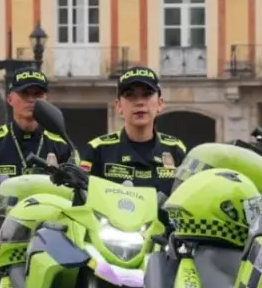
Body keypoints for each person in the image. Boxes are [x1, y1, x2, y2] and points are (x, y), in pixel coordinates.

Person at [78, 66, 187, 196]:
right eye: (130, 95)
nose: (139, 102)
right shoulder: (98, 149)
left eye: (147, 94)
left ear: (160, 103)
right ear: (118, 106)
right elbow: (82, 200)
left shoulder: (175, 149)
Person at [0, 68, 75, 182]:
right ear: (10, 99)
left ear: (45, 98)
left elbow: (77, 190)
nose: (31, 99)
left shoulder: (60, 145)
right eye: (24, 93)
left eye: (38, 94)